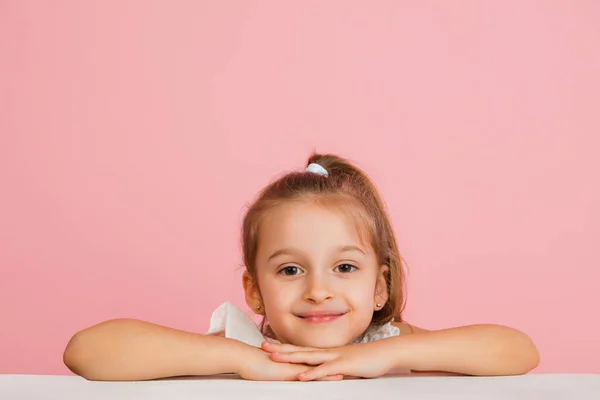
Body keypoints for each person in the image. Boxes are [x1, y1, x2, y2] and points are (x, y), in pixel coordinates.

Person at [63, 153, 540, 382]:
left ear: (380, 287)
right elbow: (88, 352)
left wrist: (380, 357)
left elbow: (518, 351)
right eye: (291, 271)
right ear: (253, 291)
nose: (317, 290)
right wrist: (244, 362)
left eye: (345, 268)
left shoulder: (390, 347)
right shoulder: (245, 348)